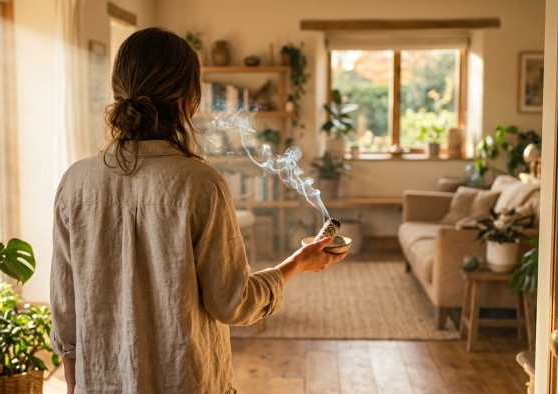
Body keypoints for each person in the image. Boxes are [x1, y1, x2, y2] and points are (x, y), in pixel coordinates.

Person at [49, 27, 347, 394]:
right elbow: (233, 303)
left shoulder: (74, 182)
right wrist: (296, 264)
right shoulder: (200, 183)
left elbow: (66, 312)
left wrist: (77, 386)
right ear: (189, 98)